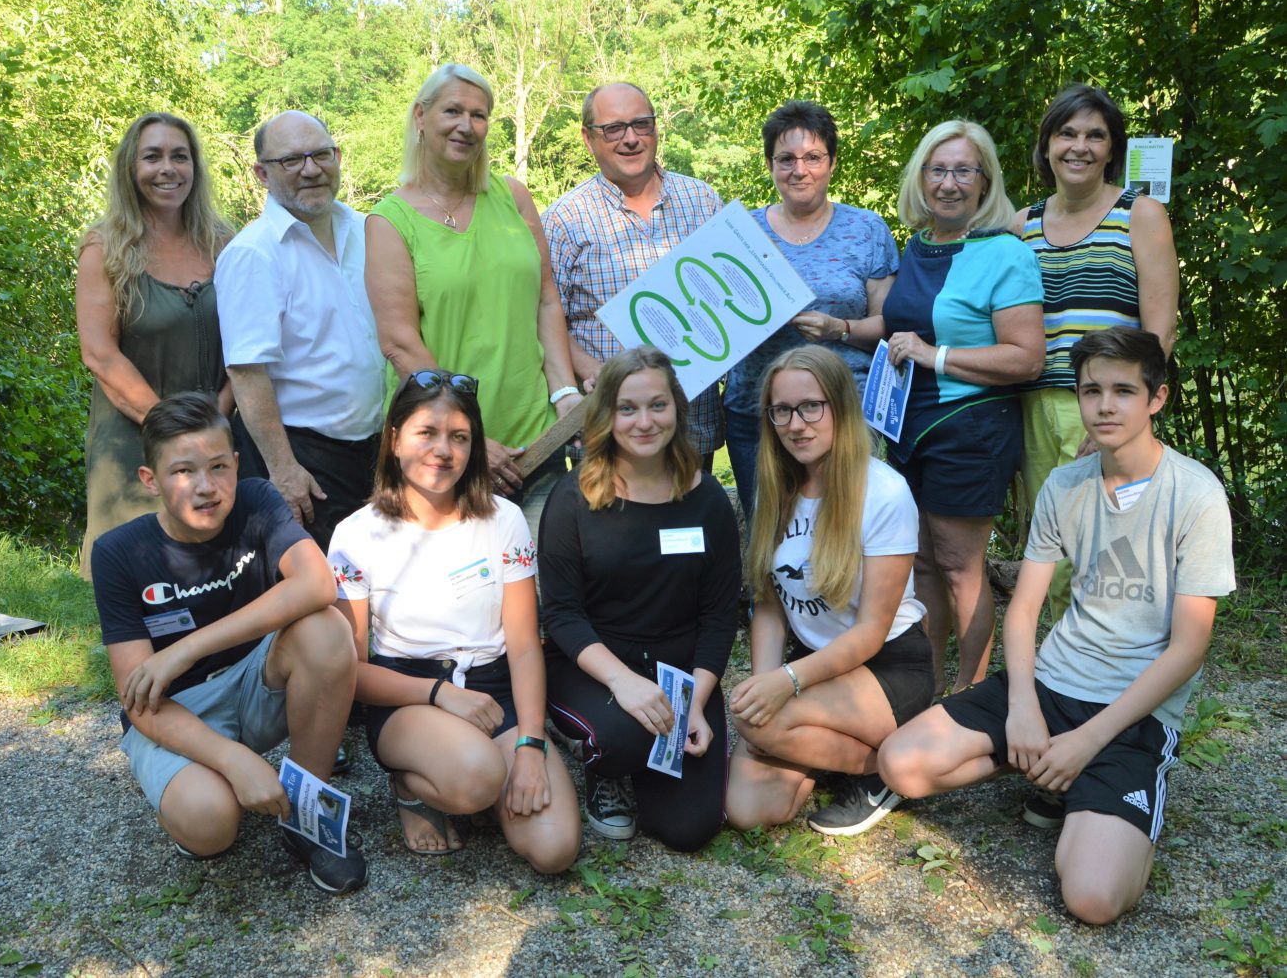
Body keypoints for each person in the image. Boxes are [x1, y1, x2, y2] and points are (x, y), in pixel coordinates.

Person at [880, 326, 1234, 925]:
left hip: (1133, 713)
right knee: (901, 763)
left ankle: (1094, 790)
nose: (1104, 405)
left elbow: (1188, 649)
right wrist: (1023, 705)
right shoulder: (1065, 485)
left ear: (1157, 398)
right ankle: (1050, 770)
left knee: (1093, 900)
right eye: (1091, 390)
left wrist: (1088, 741)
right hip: (1054, 683)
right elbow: (1023, 609)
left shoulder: (1195, 495)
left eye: (1124, 390)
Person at [91, 392, 366, 894]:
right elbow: (138, 701)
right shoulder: (117, 553)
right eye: (182, 472)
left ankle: (306, 814)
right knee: (211, 825)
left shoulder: (257, 499)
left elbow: (317, 584)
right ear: (150, 480)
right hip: (176, 709)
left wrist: (186, 647)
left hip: (255, 681)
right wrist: (233, 758)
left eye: (218, 466)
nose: (205, 487)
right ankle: (200, 784)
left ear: (237, 465)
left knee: (326, 627)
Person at [329, 370, 580, 871]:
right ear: (395, 439)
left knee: (554, 851)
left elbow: (526, 645)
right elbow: (351, 672)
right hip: (409, 692)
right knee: (477, 777)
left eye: (459, 437)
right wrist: (441, 694)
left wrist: (531, 743)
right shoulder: (356, 536)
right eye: (427, 432)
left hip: (494, 690)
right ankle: (412, 786)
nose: (443, 450)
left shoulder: (503, 520)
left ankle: (481, 776)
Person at [725, 346, 933, 836]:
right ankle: (820, 744)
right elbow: (770, 607)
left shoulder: (883, 492)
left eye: (810, 406)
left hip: (886, 666)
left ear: (840, 405)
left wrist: (785, 688)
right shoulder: (775, 489)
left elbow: (871, 632)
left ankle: (882, 771)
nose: (796, 424)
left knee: (758, 725)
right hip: (815, 665)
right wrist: (763, 685)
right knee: (752, 810)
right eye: (781, 410)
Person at [540, 347, 741, 852]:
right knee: (621, 738)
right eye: (627, 409)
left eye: (657, 405)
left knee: (689, 829)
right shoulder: (574, 497)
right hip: (594, 664)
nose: (644, 422)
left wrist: (695, 701)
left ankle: (649, 752)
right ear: (606, 416)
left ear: (677, 407)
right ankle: (605, 766)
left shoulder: (709, 499)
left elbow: (719, 616)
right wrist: (623, 683)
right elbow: (561, 614)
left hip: (679, 672)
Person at [366, 64, 581, 536]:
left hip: (534, 443)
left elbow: (546, 300)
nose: (467, 126)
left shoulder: (514, 198)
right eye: (453, 111)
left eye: (479, 115)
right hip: (439, 454)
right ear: (421, 116)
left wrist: (565, 394)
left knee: (542, 591)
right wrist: (471, 439)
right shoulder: (388, 221)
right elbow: (401, 345)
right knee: (454, 600)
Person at [882, 120, 1045, 693]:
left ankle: (970, 693)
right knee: (922, 564)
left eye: (963, 171)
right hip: (907, 426)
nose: (949, 183)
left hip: (970, 427)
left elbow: (1027, 357)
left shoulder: (1005, 252)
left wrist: (936, 356)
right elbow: (902, 326)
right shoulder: (919, 245)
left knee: (959, 567)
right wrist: (840, 326)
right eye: (938, 170)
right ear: (920, 177)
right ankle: (922, 687)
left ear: (985, 182)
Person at [1013, 84, 1179, 619]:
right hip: (1037, 406)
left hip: (1111, 405)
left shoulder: (1141, 213)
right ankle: (1063, 672)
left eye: (1095, 135)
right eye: (1066, 133)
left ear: (1112, 149)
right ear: (1046, 146)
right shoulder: (1022, 226)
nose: (1079, 146)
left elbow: (1158, 333)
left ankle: (1117, 675)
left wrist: (1116, 412)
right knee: (1052, 552)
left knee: (1112, 549)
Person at [215, 110, 387, 552]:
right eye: (291, 160)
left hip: (373, 449)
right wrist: (284, 469)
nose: (311, 170)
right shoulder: (253, 254)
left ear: (338, 157)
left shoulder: (369, 230)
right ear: (261, 173)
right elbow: (247, 372)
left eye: (321, 155)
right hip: (301, 457)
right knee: (317, 596)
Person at [724, 101, 900, 517]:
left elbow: (888, 324)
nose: (799, 170)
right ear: (770, 165)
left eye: (812, 158)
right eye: (785, 159)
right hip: (758, 413)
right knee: (769, 535)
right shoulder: (740, 232)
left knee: (846, 532)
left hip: (843, 413)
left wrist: (837, 328)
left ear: (832, 163)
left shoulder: (866, 229)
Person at [76, 112, 233, 579]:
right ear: (131, 168)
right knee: (142, 578)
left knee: (220, 572)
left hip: (219, 426)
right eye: (153, 157)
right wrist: (171, 429)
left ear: (195, 168)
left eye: (179, 157)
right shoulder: (105, 248)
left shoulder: (225, 243)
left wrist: (218, 417)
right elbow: (100, 354)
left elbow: (249, 345)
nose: (168, 168)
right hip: (132, 435)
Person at [542, 82, 725, 468]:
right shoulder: (563, 220)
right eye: (613, 128)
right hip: (610, 425)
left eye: (641, 125)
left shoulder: (703, 201)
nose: (630, 139)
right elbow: (544, 317)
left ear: (656, 129)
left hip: (692, 426)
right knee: (611, 528)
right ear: (588, 139)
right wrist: (594, 371)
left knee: (690, 527)